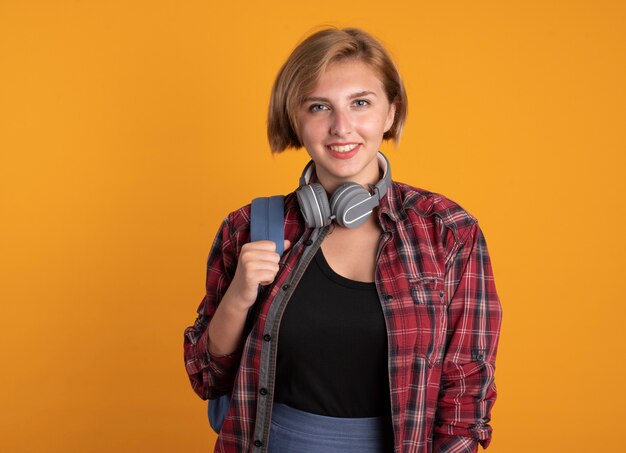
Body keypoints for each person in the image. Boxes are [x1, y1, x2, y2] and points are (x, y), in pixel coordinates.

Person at [184, 27, 502, 453]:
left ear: (390, 113)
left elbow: (467, 392)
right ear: (296, 119)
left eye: (360, 103)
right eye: (319, 106)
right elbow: (207, 376)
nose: (341, 127)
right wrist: (240, 295)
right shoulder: (249, 227)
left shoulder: (447, 231)